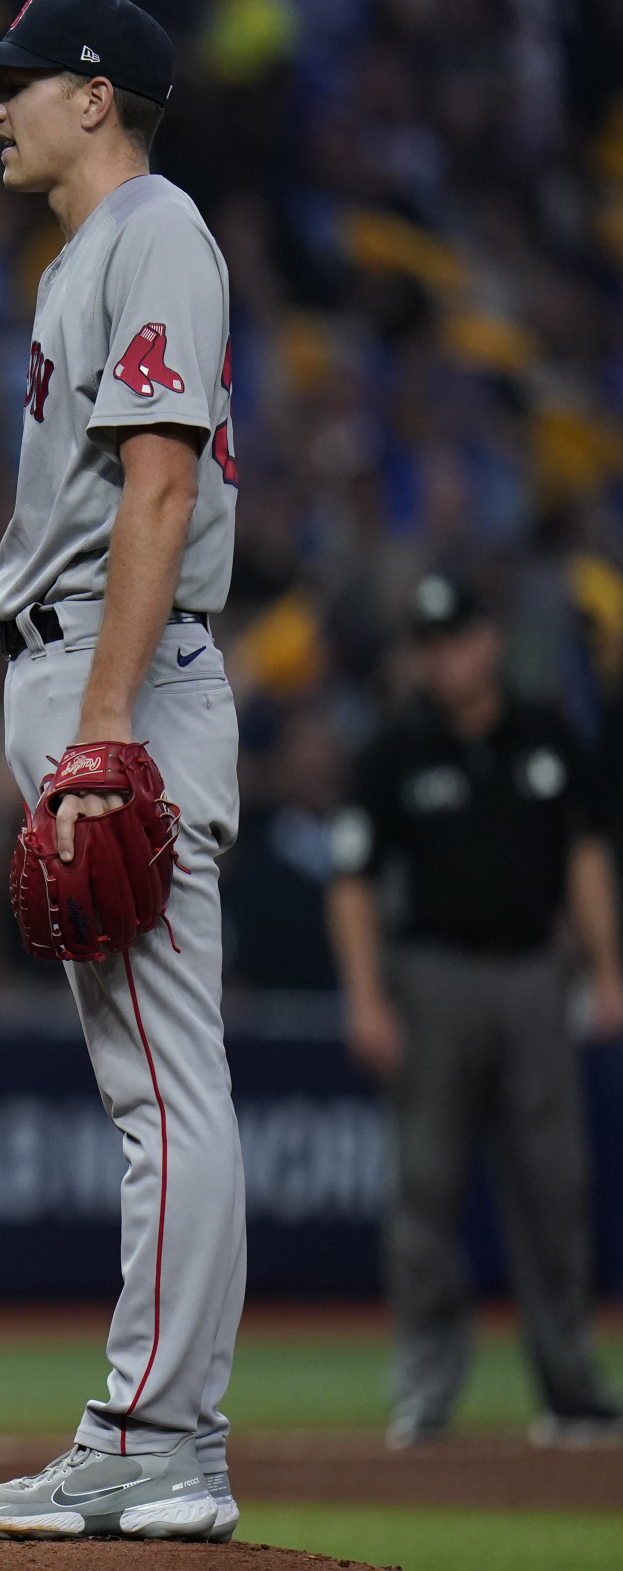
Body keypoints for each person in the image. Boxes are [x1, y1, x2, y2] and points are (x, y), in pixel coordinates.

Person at [0, 0, 243, 1544]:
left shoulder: (155, 232)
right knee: (151, 1090)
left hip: (118, 682)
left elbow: (161, 489)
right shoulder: (88, 256)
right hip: (77, 672)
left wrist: (107, 727)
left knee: (166, 1098)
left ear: (96, 94)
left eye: (18, 81)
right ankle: (160, 1435)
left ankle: (158, 1440)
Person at [325, 574, 623, 1450]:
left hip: (534, 971)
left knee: (555, 1185)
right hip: (432, 976)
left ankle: (570, 1386)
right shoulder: (395, 749)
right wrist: (366, 994)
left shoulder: (546, 733)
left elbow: (585, 854)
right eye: (427, 643)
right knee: (425, 1188)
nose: (442, 657)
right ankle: (425, 1388)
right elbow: (351, 881)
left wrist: (608, 968)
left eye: (454, 637)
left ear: (488, 641)